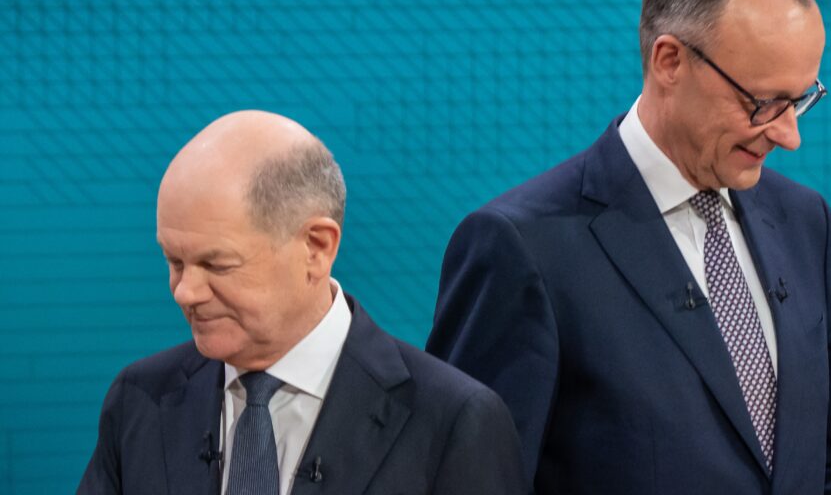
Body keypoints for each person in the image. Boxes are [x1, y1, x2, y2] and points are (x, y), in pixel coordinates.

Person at [427, 0, 831, 494]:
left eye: (800, 101)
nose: (789, 136)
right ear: (669, 60)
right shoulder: (521, 246)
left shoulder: (805, 221)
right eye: (763, 103)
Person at [78, 111, 526, 495]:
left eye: (216, 265)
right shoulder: (139, 400)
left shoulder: (453, 421)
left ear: (316, 247)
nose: (185, 291)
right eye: (174, 261)